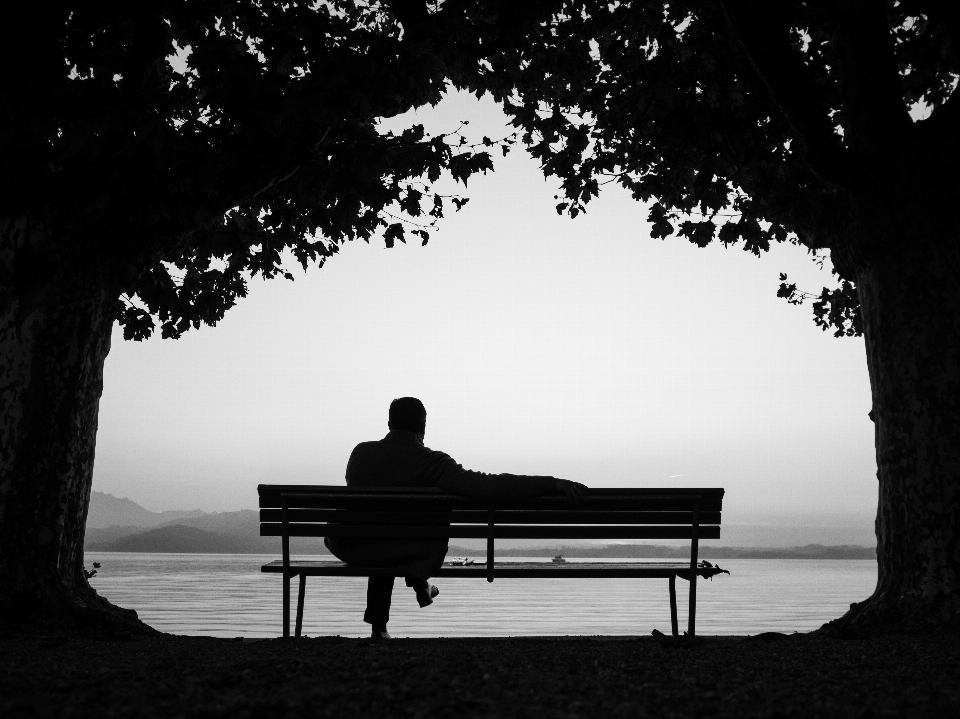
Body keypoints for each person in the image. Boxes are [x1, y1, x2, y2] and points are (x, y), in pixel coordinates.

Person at [324, 397, 587, 639]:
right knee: (399, 536)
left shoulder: (361, 454)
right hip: (410, 551)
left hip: (355, 547)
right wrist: (551, 484)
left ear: (390, 423)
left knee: (382, 533)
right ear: (423, 425)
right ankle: (418, 583)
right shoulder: (434, 463)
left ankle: (380, 627)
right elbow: (489, 486)